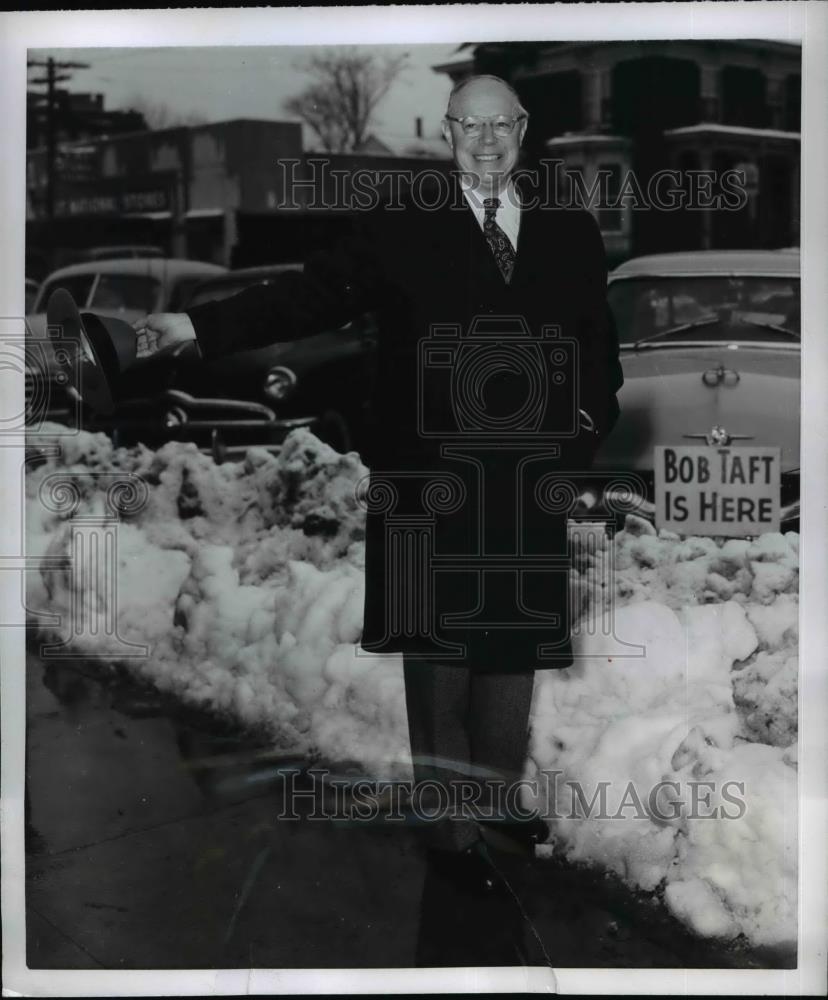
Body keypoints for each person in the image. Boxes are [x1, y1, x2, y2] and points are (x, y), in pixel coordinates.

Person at [134, 75, 623, 929]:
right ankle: (449, 831)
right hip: (426, 474)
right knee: (440, 658)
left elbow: (598, 353)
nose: (483, 141)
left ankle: (496, 802)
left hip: (522, 477)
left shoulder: (570, 232)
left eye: (498, 125)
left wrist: (580, 422)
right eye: (466, 125)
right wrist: (200, 329)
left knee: (508, 649)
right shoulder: (404, 225)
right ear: (446, 132)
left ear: (524, 130)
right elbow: (307, 295)